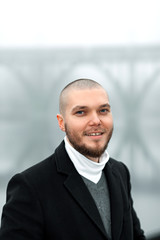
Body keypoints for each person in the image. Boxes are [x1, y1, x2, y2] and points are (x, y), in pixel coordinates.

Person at [0, 78, 146, 240]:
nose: (96, 121)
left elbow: (136, 236)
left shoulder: (120, 172)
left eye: (103, 110)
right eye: (81, 112)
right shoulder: (30, 187)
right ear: (62, 123)